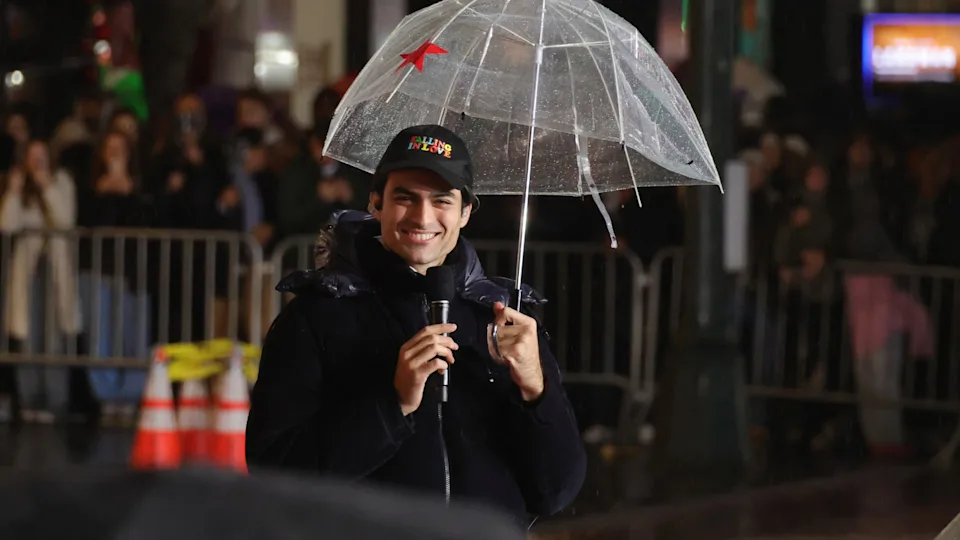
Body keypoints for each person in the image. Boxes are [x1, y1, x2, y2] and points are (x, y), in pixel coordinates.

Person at [246, 125, 586, 526]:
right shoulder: (316, 316)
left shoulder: (503, 322)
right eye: (405, 198)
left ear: (465, 212)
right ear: (377, 203)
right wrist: (395, 405)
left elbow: (555, 491)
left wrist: (535, 387)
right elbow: (276, 476)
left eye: (441, 200)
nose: (422, 217)